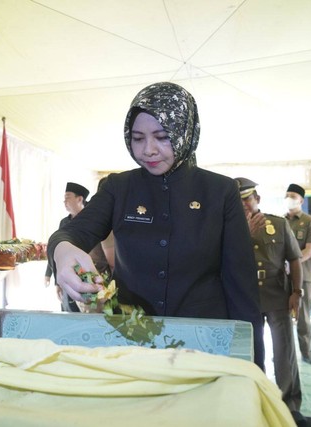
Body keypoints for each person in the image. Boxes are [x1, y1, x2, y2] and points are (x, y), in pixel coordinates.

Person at [47, 82, 265, 370]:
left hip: (202, 341)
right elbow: (74, 232)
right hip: (131, 337)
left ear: (185, 132)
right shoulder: (118, 187)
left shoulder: (219, 191)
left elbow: (241, 286)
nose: (148, 150)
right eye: (137, 138)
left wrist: (253, 365)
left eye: (162, 137)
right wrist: (62, 250)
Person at [237, 177, 306, 425]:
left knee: (284, 351)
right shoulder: (228, 228)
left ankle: (290, 405)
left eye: (247, 198)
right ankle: (257, 399)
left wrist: (297, 292)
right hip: (245, 299)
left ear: (257, 199)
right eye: (238, 200)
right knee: (252, 352)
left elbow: (295, 259)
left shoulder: (277, 224)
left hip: (277, 294)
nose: (243, 204)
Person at [44, 182, 111, 312]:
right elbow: (58, 250)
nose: (65, 202)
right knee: (70, 313)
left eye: (68, 197)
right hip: (69, 277)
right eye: (64, 198)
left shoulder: (96, 221)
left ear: (80, 199)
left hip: (95, 279)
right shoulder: (64, 223)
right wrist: (55, 280)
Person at [285, 183, 311, 365]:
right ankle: (284, 353)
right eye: (287, 195)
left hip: (304, 276)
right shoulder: (279, 220)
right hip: (282, 277)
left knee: (303, 316)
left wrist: (293, 264)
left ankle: (306, 353)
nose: (289, 198)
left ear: (301, 200)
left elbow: (310, 249)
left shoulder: (310, 222)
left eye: (293, 195)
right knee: (282, 316)